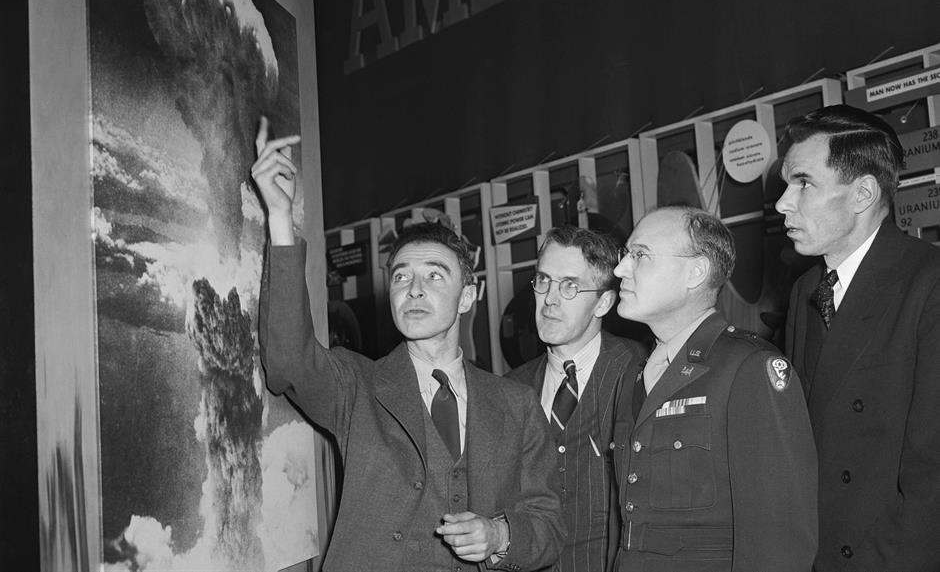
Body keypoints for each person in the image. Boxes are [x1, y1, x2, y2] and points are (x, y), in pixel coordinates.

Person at [251, 117, 565, 572]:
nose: (414, 289)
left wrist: (499, 534)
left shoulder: (516, 405)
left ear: (467, 296)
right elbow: (287, 361)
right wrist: (280, 218)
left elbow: (549, 526)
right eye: (401, 277)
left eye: (435, 275)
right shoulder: (357, 385)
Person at [609, 205, 817, 572]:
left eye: (639, 255)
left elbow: (779, 539)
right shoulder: (635, 375)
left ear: (696, 272)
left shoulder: (748, 369)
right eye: (626, 254)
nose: (620, 269)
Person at [777, 104, 940, 571]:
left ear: (863, 193)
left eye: (803, 183)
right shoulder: (806, 290)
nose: (783, 203)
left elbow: (932, 470)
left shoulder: (928, 282)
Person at [506, 226, 646, 572]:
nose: (549, 299)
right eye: (543, 281)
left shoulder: (641, 372)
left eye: (569, 286)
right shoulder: (510, 389)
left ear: (603, 302)